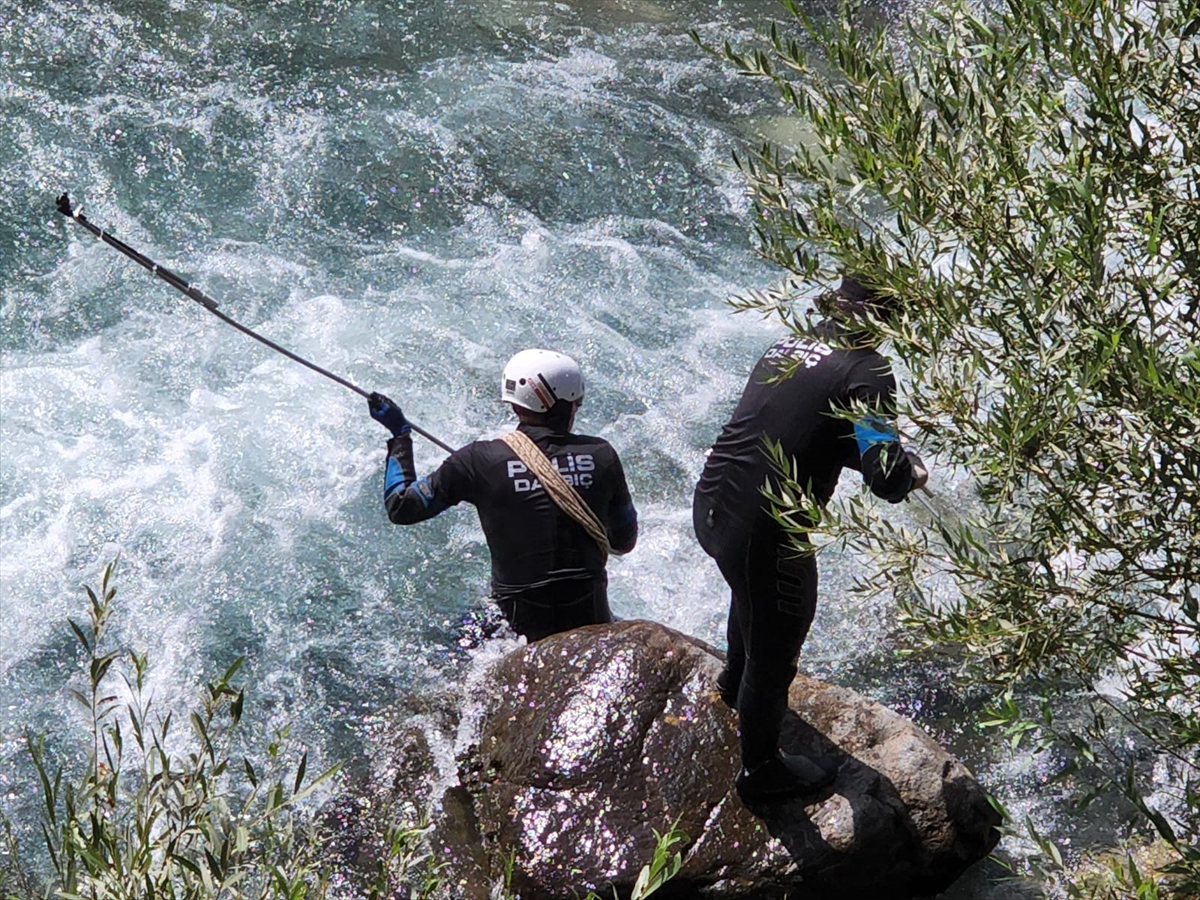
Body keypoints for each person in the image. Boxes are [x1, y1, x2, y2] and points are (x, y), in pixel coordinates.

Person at [693, 275, 928, 802]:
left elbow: (801, 427)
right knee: (775, 651)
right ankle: (760, 773)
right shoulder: (868, 369)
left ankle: (733, 681)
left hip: (712, 505)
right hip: (764, 528)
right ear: (886, 318)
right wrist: (910, 471)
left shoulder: (789, 344)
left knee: (750, 592)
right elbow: (886, 479)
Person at [369, 348, 638, 642]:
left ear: (514, 403)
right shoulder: (602, 455)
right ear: (573, 403)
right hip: (591, 621)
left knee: (447, 637)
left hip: (519, 629)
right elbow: (623, 542)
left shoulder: (479, 461)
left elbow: (400, 507)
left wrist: (400, 436)